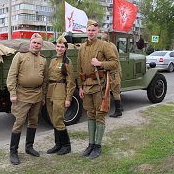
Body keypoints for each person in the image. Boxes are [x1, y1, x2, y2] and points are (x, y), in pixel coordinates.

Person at [77, 20, 119, 159]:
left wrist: (100, 63)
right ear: (86, 31)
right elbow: (79, 69)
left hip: (100, 86)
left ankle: (98, 146)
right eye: (89, 30)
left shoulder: (104, 45)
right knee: (90, 114)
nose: (91, 32)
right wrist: (80, 87)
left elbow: (115, 63)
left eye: (93, 30)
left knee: (99, 114)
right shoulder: (82, 48)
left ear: (97, 31)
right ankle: (90, 144)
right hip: (87, 86)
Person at [6, 33, 48, 165]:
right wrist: (12, 93)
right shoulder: (20, 56)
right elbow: (12, 76)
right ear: (30, 43)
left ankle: (29, 147)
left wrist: (43, 96)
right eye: (34, 42)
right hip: (22, 94)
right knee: (19, 123)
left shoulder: (43, 60)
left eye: (39, 43)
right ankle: (13, 152)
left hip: (37, 94)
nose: (36, 45)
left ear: (42, 46)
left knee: (33, 121)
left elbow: (45, 80)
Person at [46, 36, 76, 155]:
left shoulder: (67, 62)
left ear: (66, 48)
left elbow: (71, 82)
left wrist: (68, 98)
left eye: (62, 47)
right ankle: (58, 144)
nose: (59, 48)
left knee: (58, 119)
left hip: (60, 91)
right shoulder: (52, 59)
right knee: (53, 119)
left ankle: (66, 145)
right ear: (55, 47)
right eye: (58, 46)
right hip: (50, 91)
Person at [101, 33, 123, 118]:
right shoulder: (112, 44)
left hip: (114, 73)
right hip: (115, 71)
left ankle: (118, 110)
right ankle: (120, 107)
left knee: (115, 92)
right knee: (114, 91)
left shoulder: (108, 46)